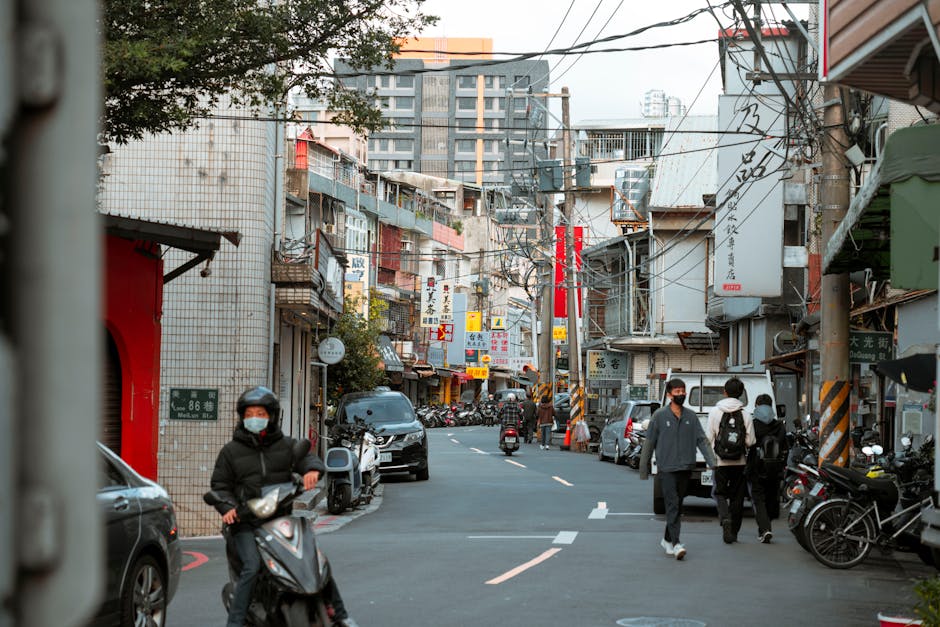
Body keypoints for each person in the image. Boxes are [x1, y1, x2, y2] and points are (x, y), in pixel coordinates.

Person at [210, 386, 356, 627]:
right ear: (242, 417)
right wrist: (228, 508)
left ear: (272, 416)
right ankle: (234, 622)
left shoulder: (285, 445)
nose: (255, 418)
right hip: (246, 523)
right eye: (249, 414)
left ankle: (341, 615)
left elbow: (306, 457)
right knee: (251, 567)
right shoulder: (231, 452)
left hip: (281, 520)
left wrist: (312, 470)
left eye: (260, 413)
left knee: (314, 560)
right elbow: (219, 485)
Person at [640, 379, 717, 560]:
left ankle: (667, 539)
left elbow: (702, 440)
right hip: (666, 468)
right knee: (673, 504)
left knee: (677, 504)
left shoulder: (691, 416)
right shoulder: (659, 416)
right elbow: (649, 442)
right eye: (677, 391)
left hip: (686, 467)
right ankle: (676, 544)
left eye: (683, 391)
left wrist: (713, 463)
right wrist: (644, 468)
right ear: (669, 395)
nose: (681, 394)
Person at [706, 377, 756, 544]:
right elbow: (750, 441)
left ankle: (725, 517)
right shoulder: (745, 414)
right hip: (739, 462)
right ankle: (733, 532)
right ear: (741, 394)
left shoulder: (715, 412)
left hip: (720, 462)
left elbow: (708, 438)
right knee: (737, 497)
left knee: (719, 493)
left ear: (725, 392)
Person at [748, 393, 787, 543]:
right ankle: (765, 528)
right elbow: (784, 446)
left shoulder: (753, 424)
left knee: (758, 499)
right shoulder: (779, 425)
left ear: (757, 406)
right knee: (771, 498)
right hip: (774, 468)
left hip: (757, 467)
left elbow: (749, 443)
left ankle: (765, 529)